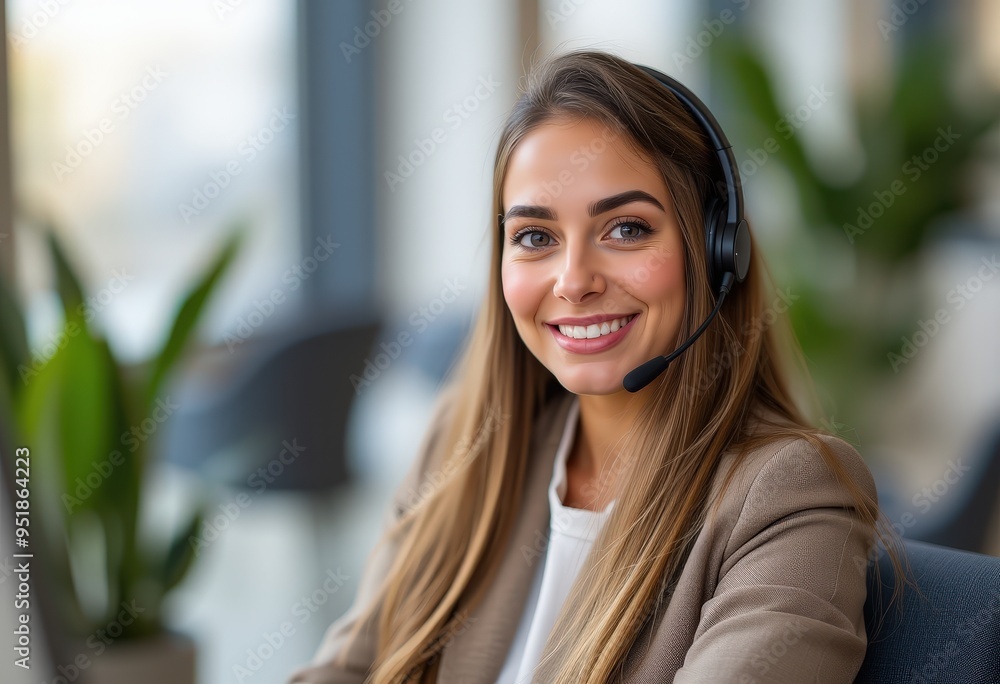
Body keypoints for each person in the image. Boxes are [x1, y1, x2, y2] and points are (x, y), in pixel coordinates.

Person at [287, 49, 900, 684]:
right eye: (534, 237)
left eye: (627, 229)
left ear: (718, 254)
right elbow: (347, 668)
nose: (574, 281)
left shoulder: (788, 494)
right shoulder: (467, 444)